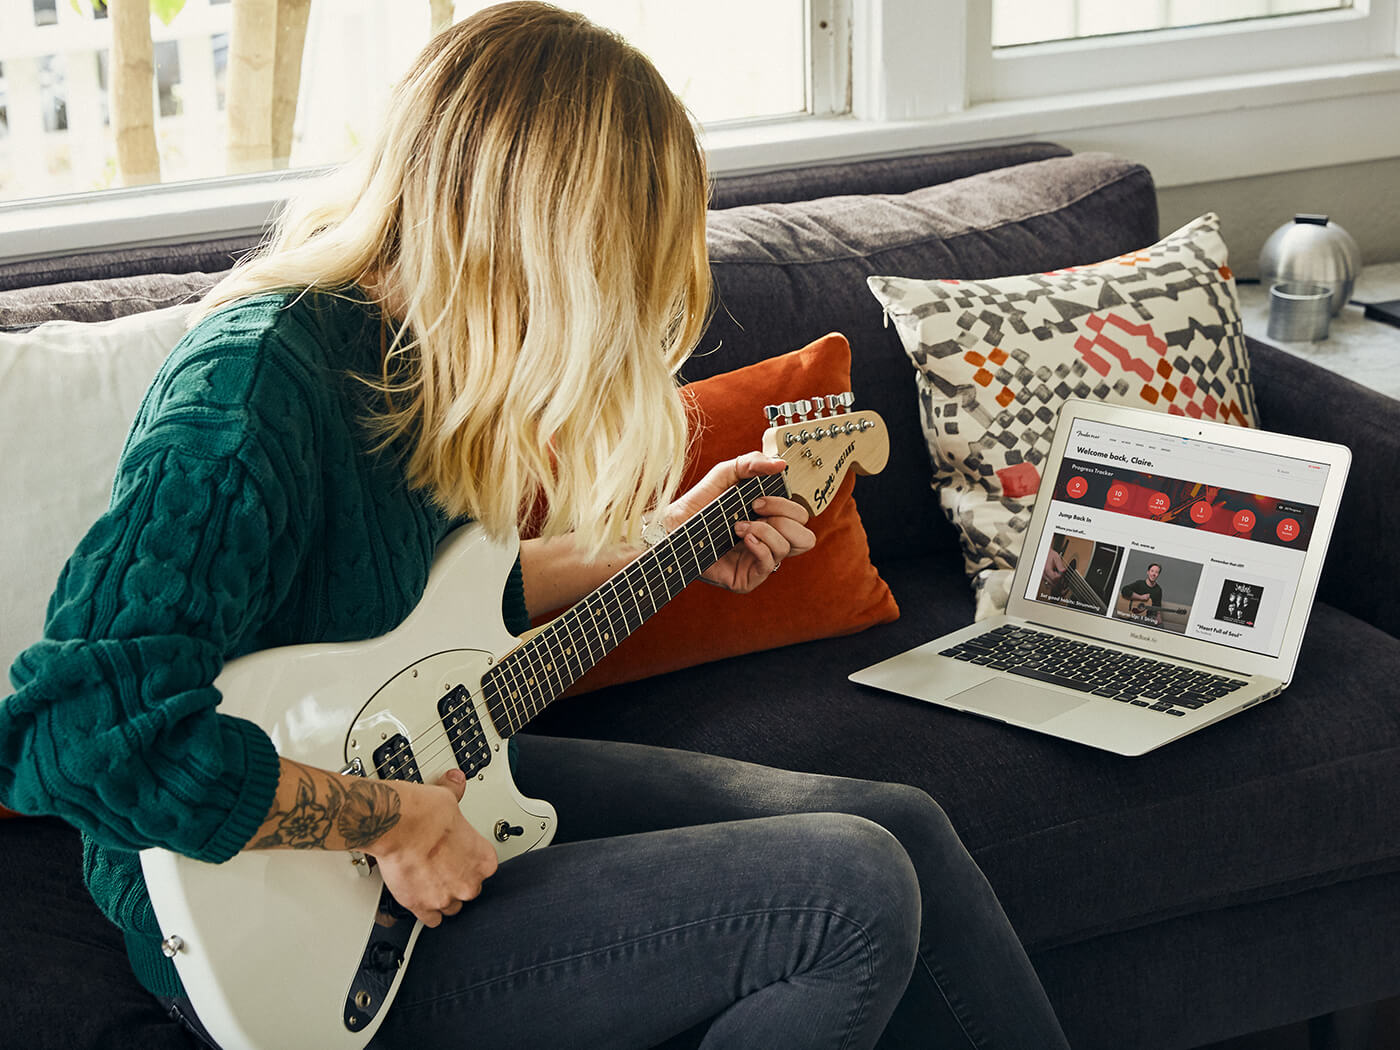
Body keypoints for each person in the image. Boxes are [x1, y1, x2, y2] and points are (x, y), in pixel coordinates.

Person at [0, 6, 1072, 1048]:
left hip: (430, 768)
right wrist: (388, 820)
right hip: (275, 927)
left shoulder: (427, 355)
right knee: (846, 889)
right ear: (548, 235)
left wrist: (669, 538)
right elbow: (79, 737)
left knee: (906, 827)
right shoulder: (250, 391)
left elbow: (443, 597)